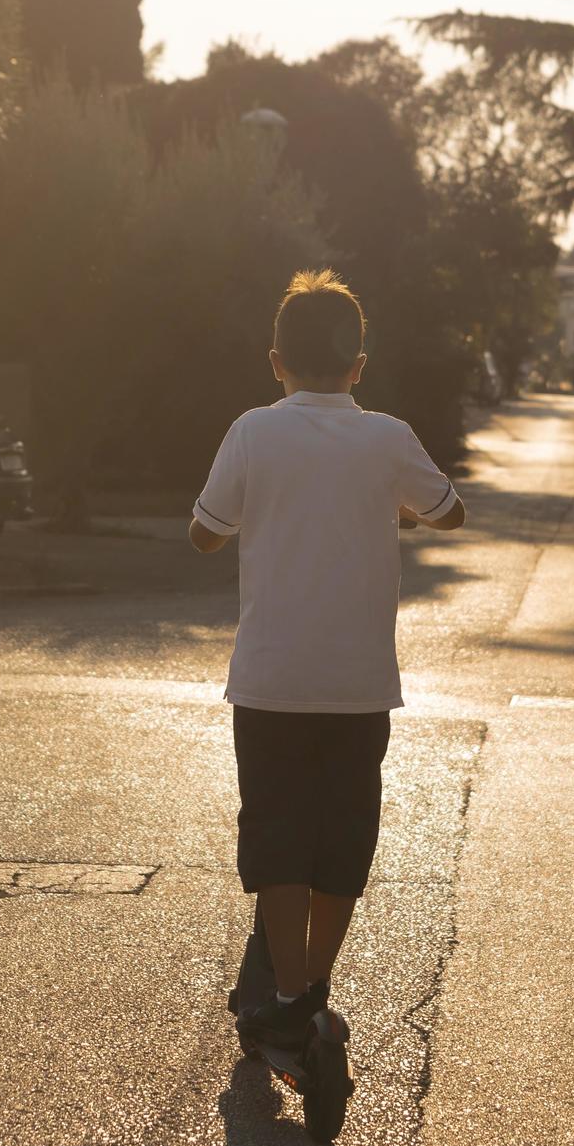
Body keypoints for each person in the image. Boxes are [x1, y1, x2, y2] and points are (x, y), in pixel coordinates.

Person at [190, 270, 466, 1087]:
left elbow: (206, 534)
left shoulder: (251, 431)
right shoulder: (387, 437)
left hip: (271, 679)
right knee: (344, 837)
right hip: (358, 684)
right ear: (359, 365)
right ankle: (313, 986)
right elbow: (451, 511)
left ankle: (285, 993)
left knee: (275, 833)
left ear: (276, 361)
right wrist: (396, 507)